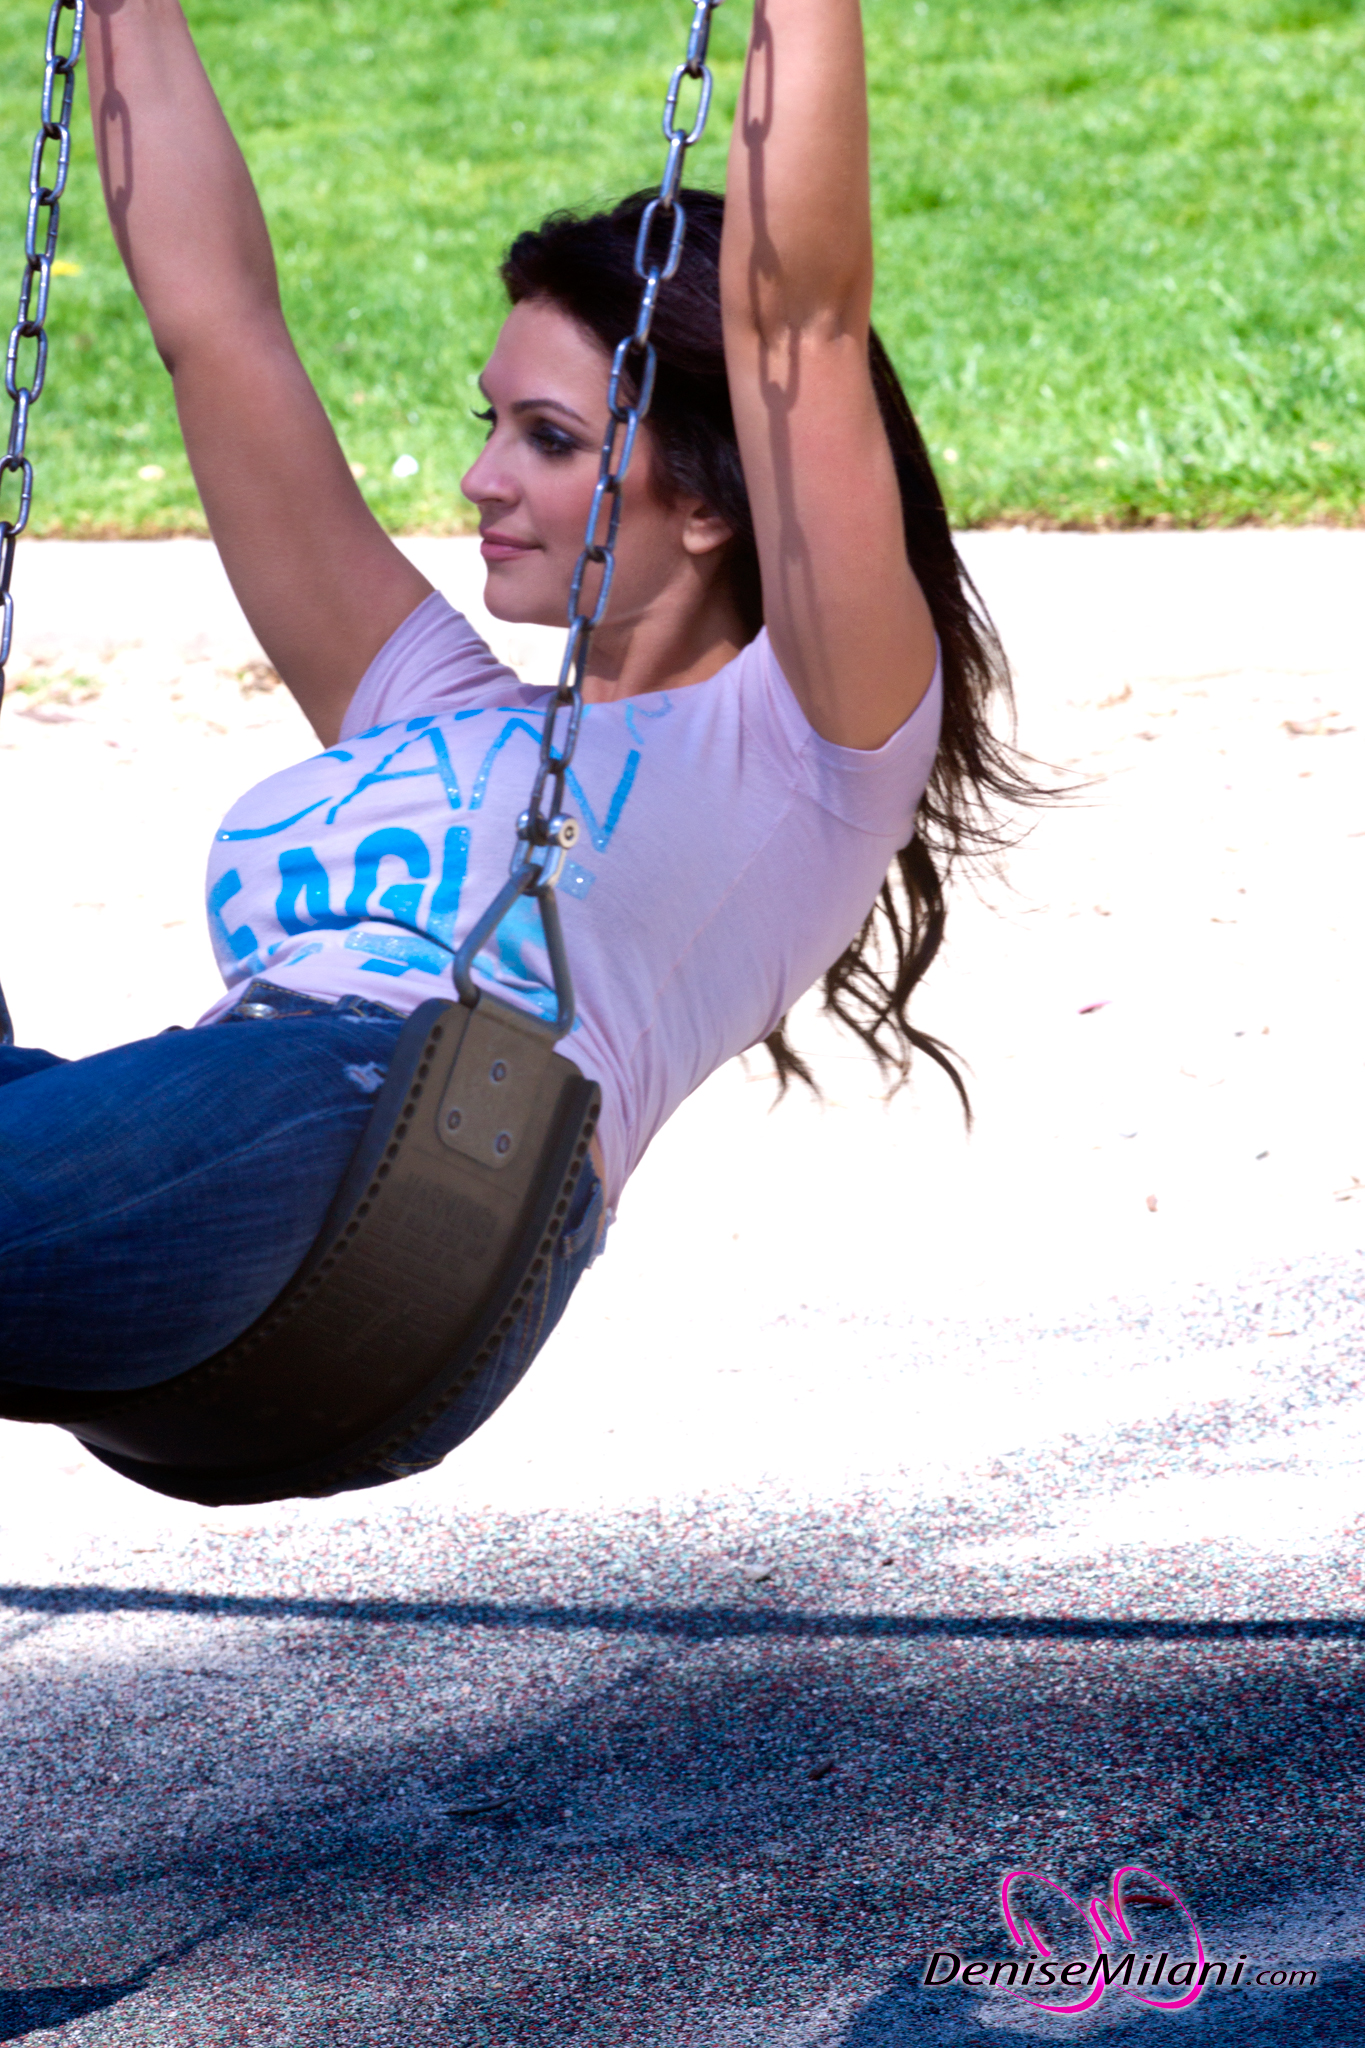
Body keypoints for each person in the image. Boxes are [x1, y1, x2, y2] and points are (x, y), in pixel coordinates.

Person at [0, 0, 1031, 1487]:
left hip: (406, 1180)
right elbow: (212, 324)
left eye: (548, 438)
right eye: (488, 422)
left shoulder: (807, 746)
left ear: (711, 496)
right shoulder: (435, 702)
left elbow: (793, 321)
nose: (483, 476)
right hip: (198, 1193)